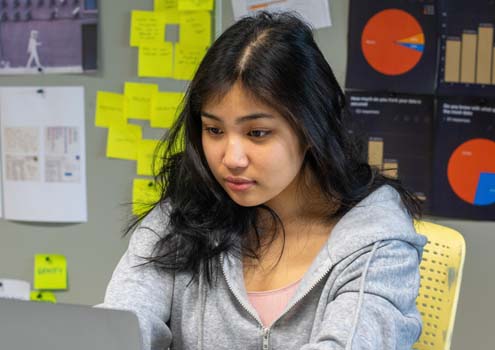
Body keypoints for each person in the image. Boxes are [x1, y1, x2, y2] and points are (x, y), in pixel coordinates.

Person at [100, 11, 427, 350]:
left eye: (257, 133)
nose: (231, 158)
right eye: (214, 130)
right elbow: (123, 323)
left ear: (310, 128)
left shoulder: (377, 242)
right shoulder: (182, 214)